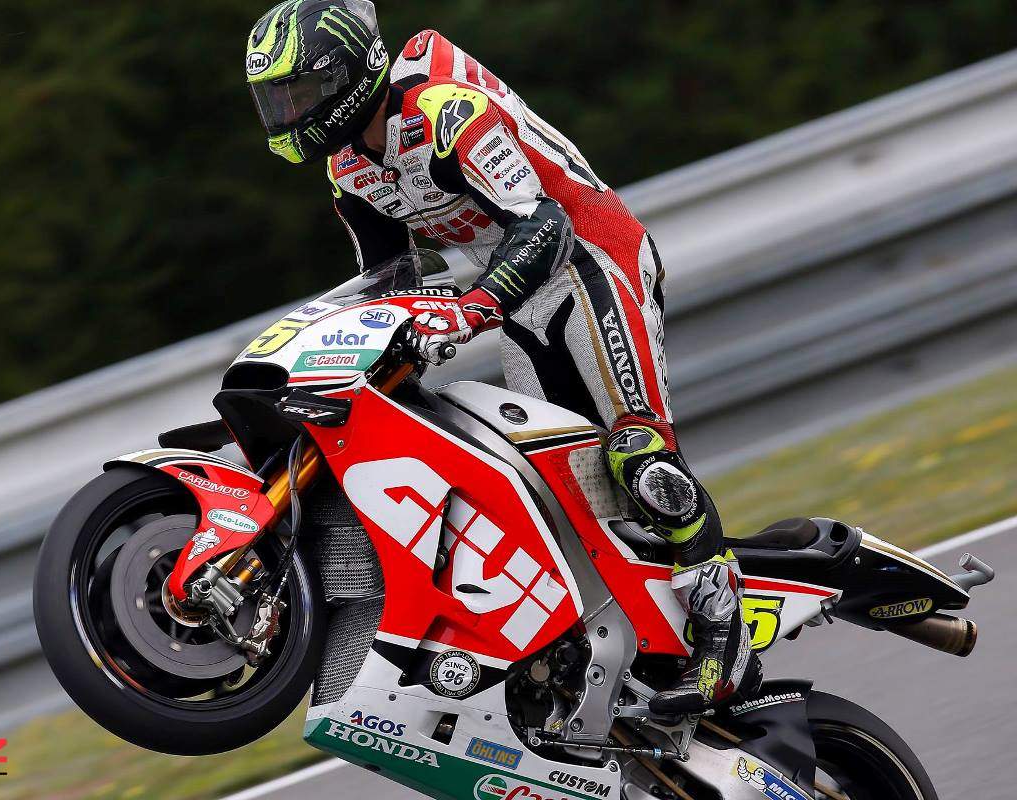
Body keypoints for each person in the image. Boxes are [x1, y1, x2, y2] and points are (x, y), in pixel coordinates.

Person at [245, 0, 759, 714]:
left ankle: (727, 630)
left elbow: (544, 224)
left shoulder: (445, 112)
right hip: (518, 294)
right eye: (278, 100)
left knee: (634, 453)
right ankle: (640, 635)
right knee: (555, 483)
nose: (290, 113)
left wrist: (473, 308)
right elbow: (387, 277)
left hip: (591, 259)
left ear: (349, 74)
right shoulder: (348, 168)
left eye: (300, 93)